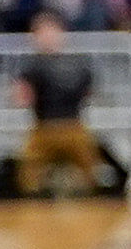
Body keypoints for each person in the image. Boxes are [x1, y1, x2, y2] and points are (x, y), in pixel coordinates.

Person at [8, 16, 107, 199]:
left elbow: (91, 92)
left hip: (73, 126)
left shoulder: (79, 63)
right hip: (43, 128)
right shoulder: (31, 65)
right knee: (27, 176)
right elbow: (21, 96)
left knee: (92, 170)